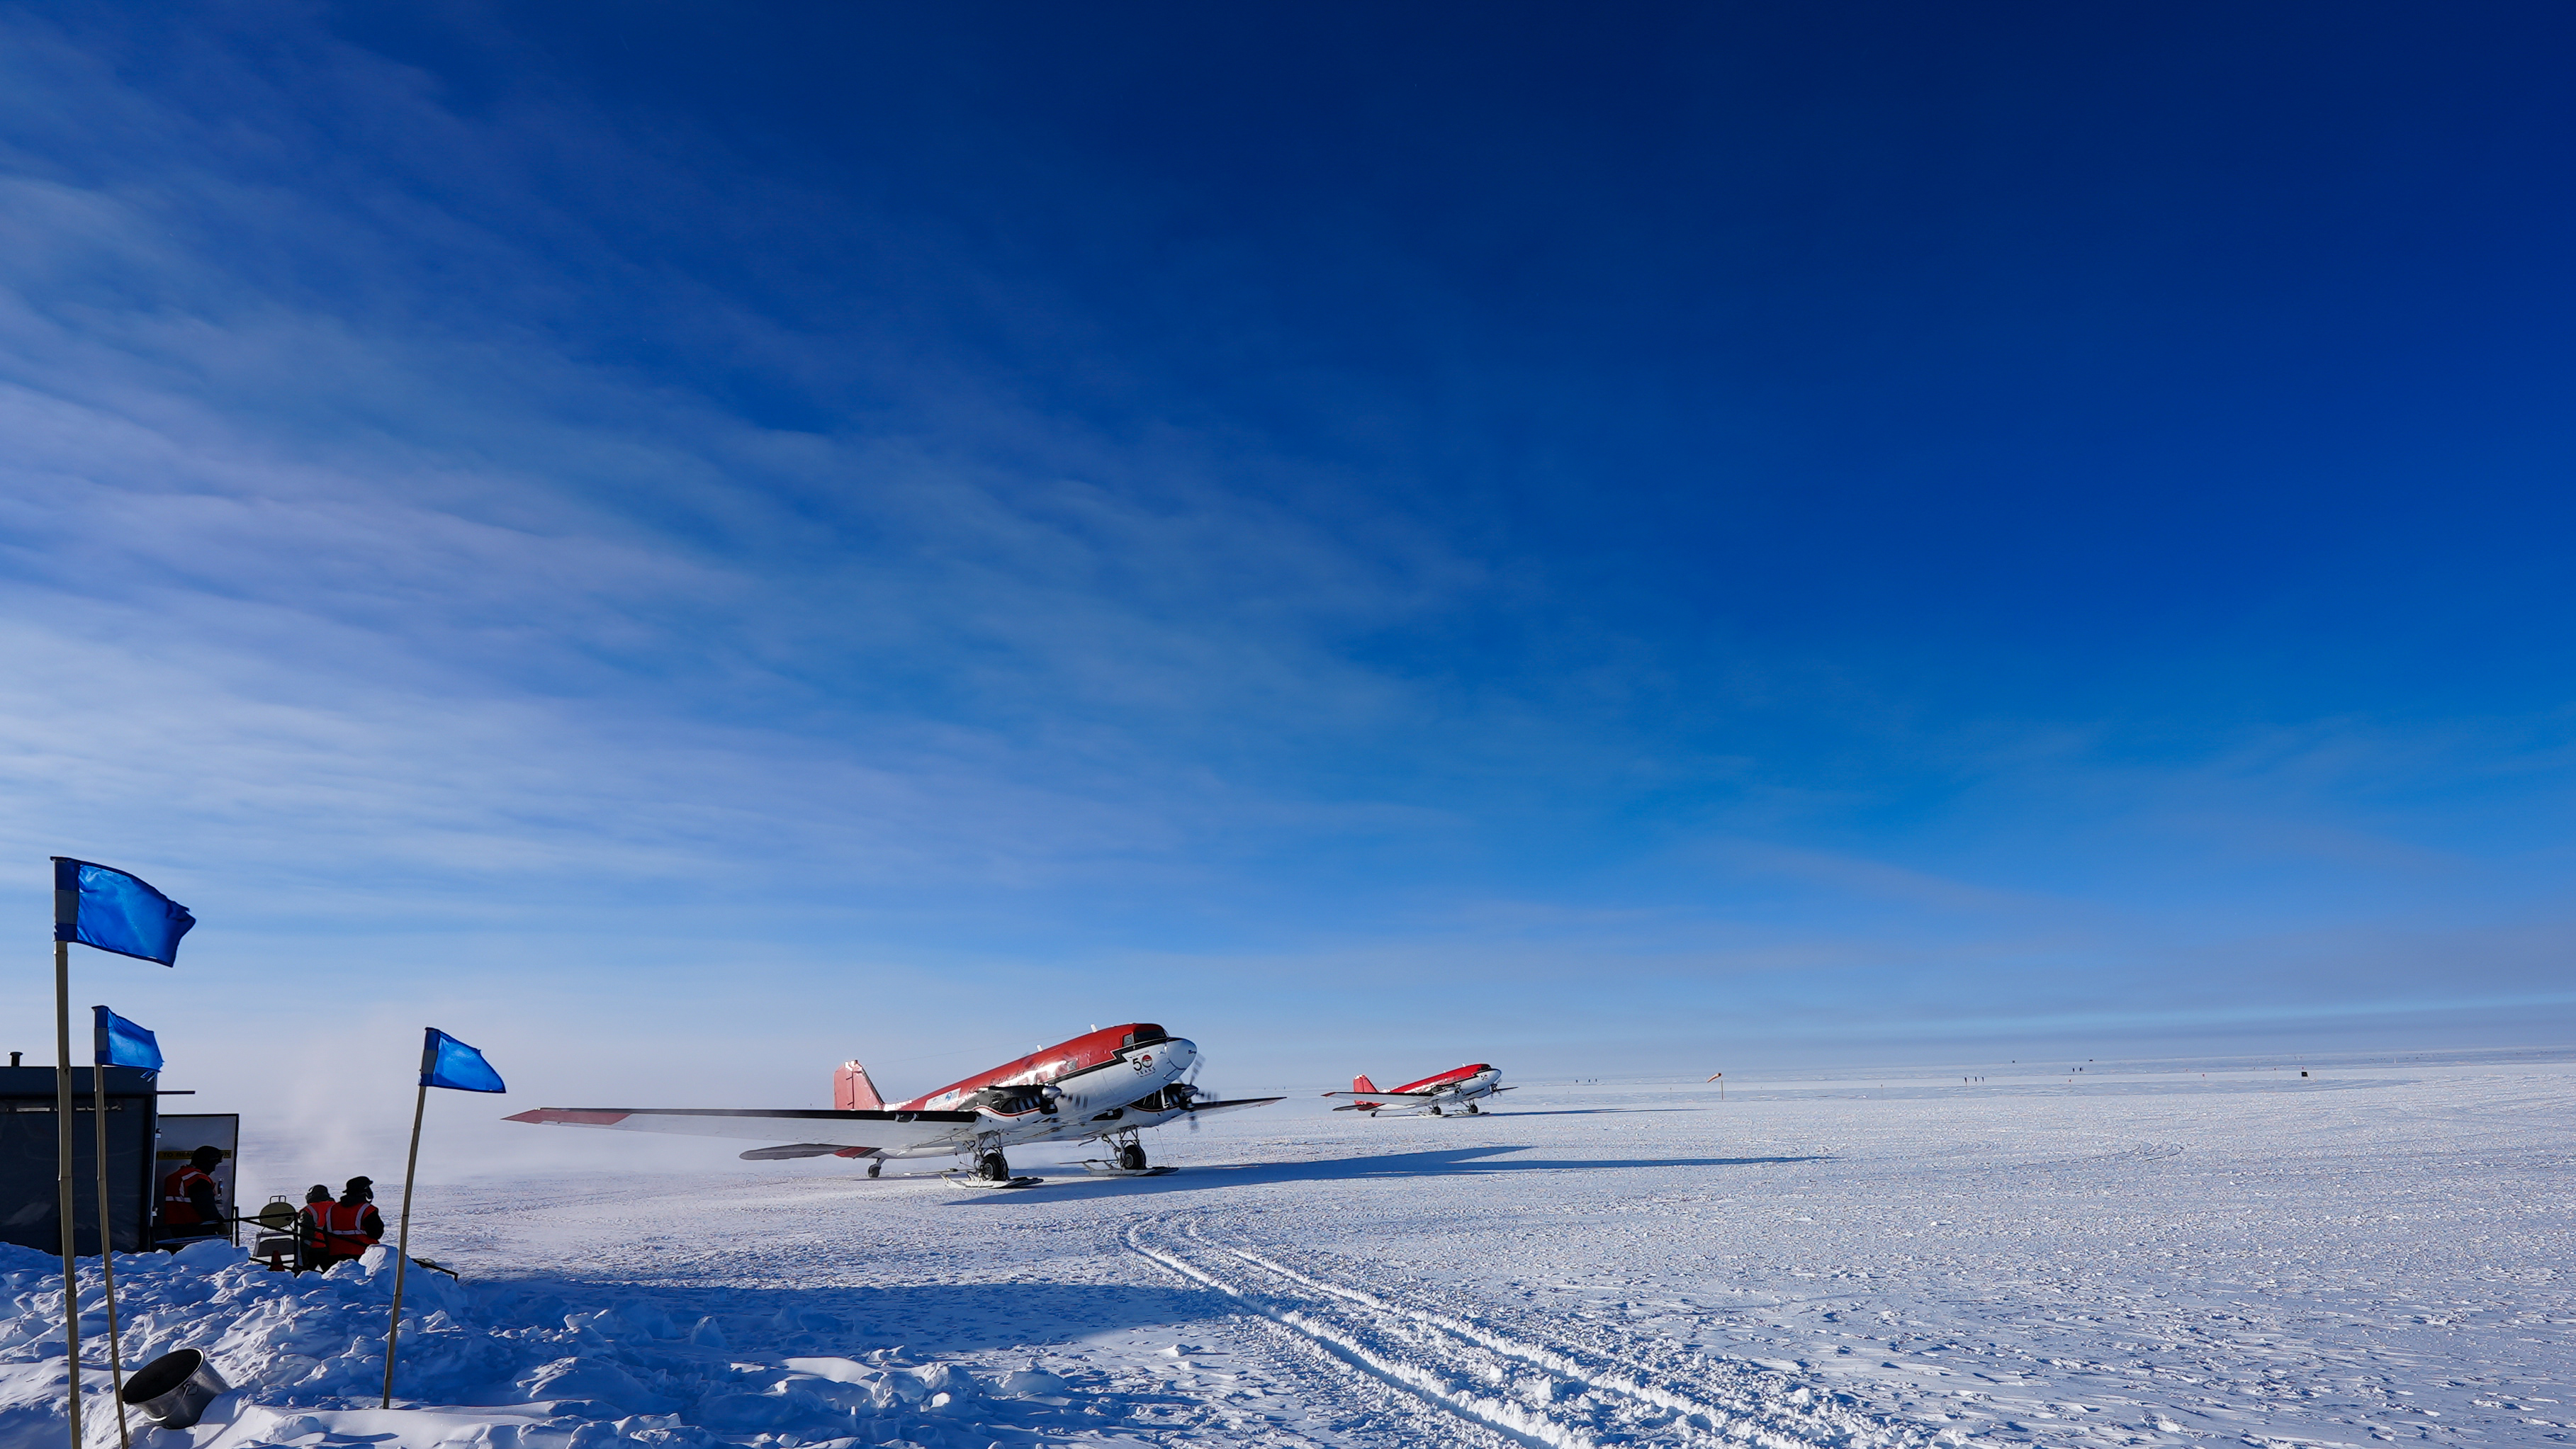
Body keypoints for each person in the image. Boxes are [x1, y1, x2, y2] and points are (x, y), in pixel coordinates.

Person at [306, 1175, 386, 1269]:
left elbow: (326, 1232)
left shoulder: (332, 1209)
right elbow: (376, 1233)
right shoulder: (367, 1209)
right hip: (363, 1254)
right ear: (365, 1191)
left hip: (335, 1254)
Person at [158, 1145, 226, 1248]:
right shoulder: (198, 1180)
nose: (213, 1169)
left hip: (176, 1228)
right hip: (197, 1228)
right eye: (214, 1164)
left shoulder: (175, 1177)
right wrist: (220, 1225)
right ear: (207, 1162)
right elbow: (207, 1208)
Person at [291, 1185, 333, 1270]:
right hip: (335, 1246)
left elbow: (306, 1234)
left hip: (316, 1248)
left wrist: (303, 1255)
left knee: (306, 1275)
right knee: (335, 1275)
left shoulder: (309, 1210)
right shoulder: (336, 1206)